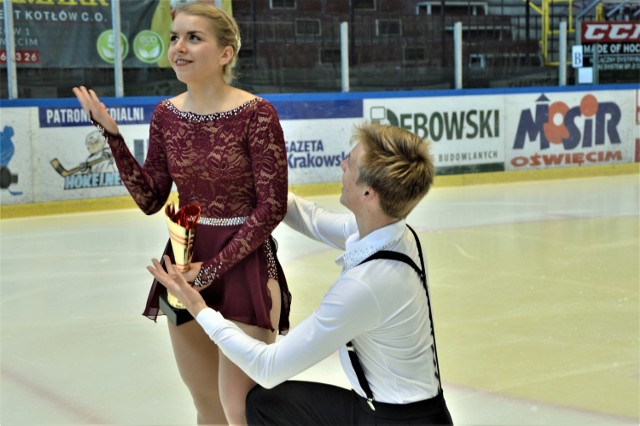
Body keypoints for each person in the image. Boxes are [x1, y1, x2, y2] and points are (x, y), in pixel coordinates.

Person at [148, 122, 454, 425]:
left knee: (263, 403)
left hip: (399, 422)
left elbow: (267, 367)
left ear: (368, 193)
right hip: (392, 408)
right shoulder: (392, 231)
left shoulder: (365, 286)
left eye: (350, 162)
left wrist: (199, 308)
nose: (342, 163)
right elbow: (312, 220)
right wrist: (260, 182)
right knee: (268, 404)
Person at [73, 2, 291, 425]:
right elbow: (151, 198)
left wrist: (210, 272)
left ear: (226, 53)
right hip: (184, 261)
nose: (179, 47)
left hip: (243, 266)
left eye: (194, 37)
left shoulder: (257, 114)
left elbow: (271, 208)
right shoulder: (166, 116)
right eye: (175, 37)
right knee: (207, 406)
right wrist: (113, 137)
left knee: (242, 409)